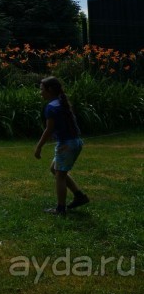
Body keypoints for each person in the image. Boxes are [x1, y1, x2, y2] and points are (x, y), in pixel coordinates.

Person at [34, 76, 90, 215]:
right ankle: (79, 196)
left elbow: (49, 130)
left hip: (66, 145)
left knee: (60, 176)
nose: (40, 92)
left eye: (41, 89)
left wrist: (39, 146)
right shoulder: (60, 102)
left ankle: (60, 208)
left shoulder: (51, 107)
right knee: (55, 169)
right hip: (74, 143)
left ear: (50, 90)